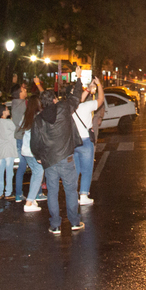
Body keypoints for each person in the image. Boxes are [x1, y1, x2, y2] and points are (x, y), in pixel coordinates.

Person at [31, 81, 84, 234]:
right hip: (66, 157)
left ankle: (55, 225)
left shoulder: (39, 120)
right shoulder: (64, 108)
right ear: (54, 99)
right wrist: (79, 80)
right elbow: (76, 98)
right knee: (71, 190)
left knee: (52, 192)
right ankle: (74, 222)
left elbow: (35, 142)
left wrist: (38, 157)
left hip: (49, 161)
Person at [72, 77, 104, 206]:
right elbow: (100, 100)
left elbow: (77, 99)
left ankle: (73, 193)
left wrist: (88, 88)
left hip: (73, 141)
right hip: (85, 140)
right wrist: (99, 85)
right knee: (87, 169)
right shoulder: (86, 106)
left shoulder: (68, 108)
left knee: (75, 169)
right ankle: (84, 194)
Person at [15, 94, 46, 210]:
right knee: (38, 173)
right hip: (35, 151)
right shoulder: (39, 117)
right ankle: (29, 202)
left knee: (35, 173)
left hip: (26, 150)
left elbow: (20, 127)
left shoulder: (26, 116)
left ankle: (31, 199)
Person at [0, 104, 17, 200]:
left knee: (0, 171)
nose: (8, 111)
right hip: (9, 150)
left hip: (1, 151)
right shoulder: (8, 122)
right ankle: (8, 192)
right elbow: (15, 129)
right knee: (9, 172)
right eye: (7, 110)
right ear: (3, 112)